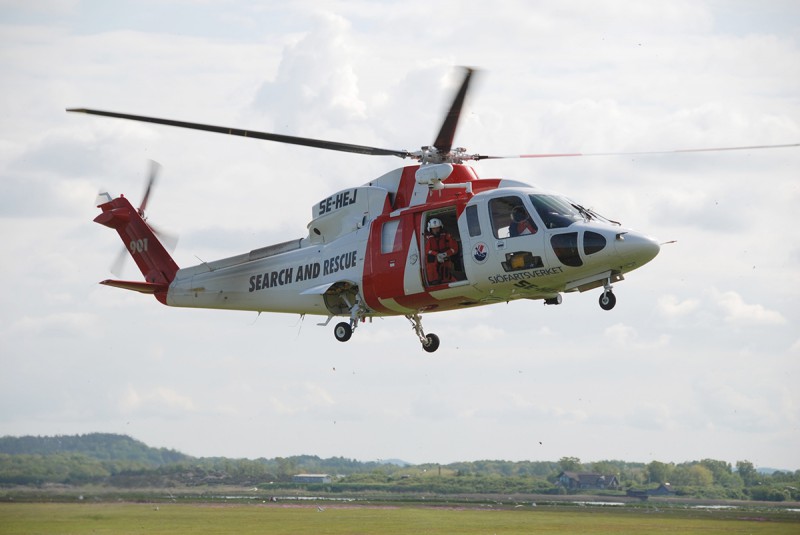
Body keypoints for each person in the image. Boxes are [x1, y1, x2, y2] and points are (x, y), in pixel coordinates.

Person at [425, 217, 458, 285]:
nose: (436, 230)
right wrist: (436, 255)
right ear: (430, 229)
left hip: (446, 257)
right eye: (434, 228)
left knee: (447, 267)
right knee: (430, 258)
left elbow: (454, 248)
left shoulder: (447, 236)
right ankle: (434, 280)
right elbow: (427, 250)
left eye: (437, 228)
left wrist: (445, 254)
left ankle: (447, 279)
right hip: (435, 258)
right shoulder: (428, 238)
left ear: (441, 227)